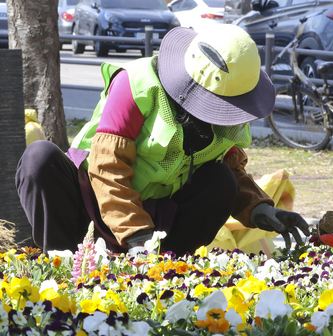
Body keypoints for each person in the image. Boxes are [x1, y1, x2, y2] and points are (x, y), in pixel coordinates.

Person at [16, 24, 309, 255]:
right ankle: (62, 267)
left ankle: (166, 274)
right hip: (92, 194)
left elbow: (231, 171)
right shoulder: (137, 85)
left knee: (221, 181)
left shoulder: (226, 118)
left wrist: (260, 209)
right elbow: (107, 168)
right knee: (39, 159)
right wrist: (137, 236)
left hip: (157, 213)